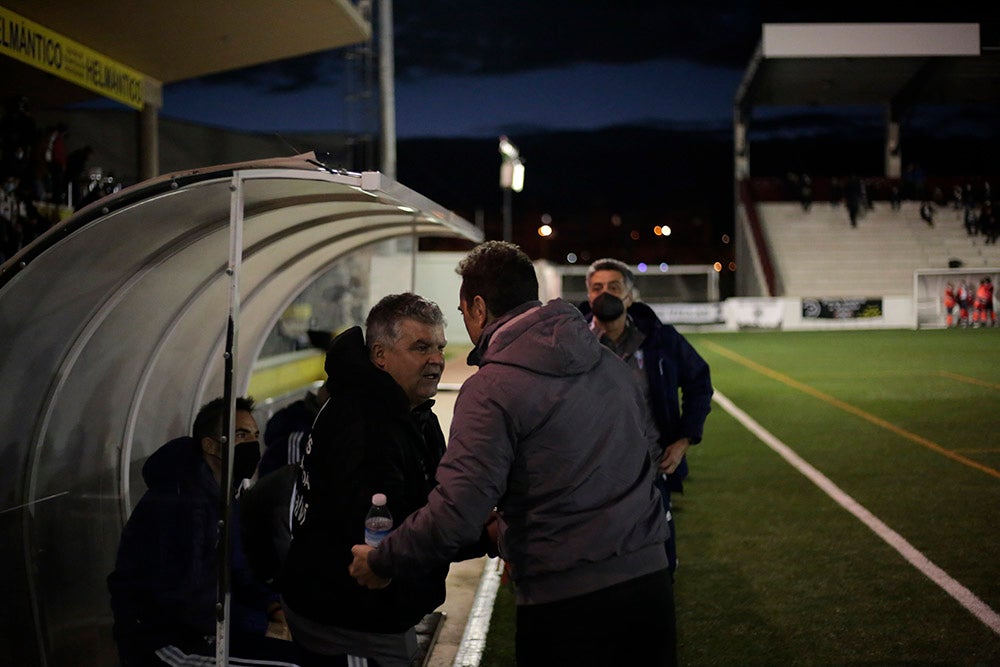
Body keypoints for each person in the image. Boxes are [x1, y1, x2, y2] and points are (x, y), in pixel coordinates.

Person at [349, 241, 676, 666]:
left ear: (479, 308)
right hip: (650, 585)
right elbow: (639, 461)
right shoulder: (610, 364)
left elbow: (458, 509)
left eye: (463, 313)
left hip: (566, 602)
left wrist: (384, 559)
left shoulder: (491, 388)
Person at [280, 293, 458, 667]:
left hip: (374, 613)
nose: (437, 360)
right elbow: (390, 536)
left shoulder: (410, 413)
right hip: (348, 620)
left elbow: (435, 502)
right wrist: (478, 533)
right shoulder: (366, 425)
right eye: (421, 347)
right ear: (380, 355)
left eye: (439, 347)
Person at [107, 396, 317, 666]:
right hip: (164, 643)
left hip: (209, 629)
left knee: (305, 656)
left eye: (254, 434)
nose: (252, 443)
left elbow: (237, 572)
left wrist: (272, 607)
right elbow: (186, 601)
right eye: (240, 435)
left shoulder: (224, 496)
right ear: (210, 445)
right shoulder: (179, 502)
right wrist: (259, 625)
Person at [581, 258, 713, 576]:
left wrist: (683, 438)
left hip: (650, 473)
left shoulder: (660, 339)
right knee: (600, 570)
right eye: (597, 288)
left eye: (614, 287)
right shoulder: (573, 343)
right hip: (589, 477)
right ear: (588, 295)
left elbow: (699, 382)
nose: (605, 294)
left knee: (658, 567)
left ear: (630, 295)